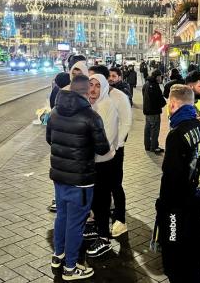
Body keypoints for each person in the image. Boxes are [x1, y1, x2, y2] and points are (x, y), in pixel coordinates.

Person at [47, 75, 110, 281]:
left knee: (62, 217)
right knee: (76, 223)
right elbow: (103, 148)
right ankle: (71, 268)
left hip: (59, 175)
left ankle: (58, 256)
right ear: (85, 92)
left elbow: (50, 139)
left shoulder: (55, 111)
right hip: (81, 179)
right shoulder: (91, 116)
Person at [155, 85, 200, 283]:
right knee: (196, 250)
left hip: (177, 208)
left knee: (174, 253)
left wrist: (163, 205)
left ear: (172, 105)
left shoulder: (177, 133)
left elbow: (170, 175)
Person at [88, 66, 133, 238]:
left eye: (96, 82)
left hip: (113, 150)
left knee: (114, 185)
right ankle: (100, 221)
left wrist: (116, 145)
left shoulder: (118, 97)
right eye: (90, 81)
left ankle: (119, 219)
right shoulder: (90, 99)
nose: (92, 86)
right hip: (96, 154)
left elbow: (126, 122)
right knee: (99, 190)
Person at [86, 74, 119, 257]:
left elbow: (106, 139)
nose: (93, 89)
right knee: (93, 199)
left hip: (104, 162)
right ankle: (97, 229)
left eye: (98, 86)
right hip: (90, 162)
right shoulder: (88, 105)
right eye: (90, 84)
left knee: (102, 201)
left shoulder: (107, 106)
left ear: (104, 88)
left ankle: (104, 238)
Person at [142, 70, 166, 154]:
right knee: (155, 130)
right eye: (160, 76)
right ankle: (154, 147)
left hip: (147, 110)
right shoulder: (155, 86)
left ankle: (147, 146)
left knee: (147, 129)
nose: (161, 78)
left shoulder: (146, 84)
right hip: (154, 111)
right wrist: (163, 103)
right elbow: (159, 99)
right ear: (157, 77)